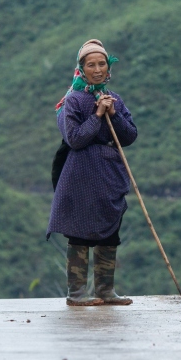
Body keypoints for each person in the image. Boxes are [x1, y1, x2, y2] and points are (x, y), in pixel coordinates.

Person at [47, 39, 138, 306]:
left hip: (110, 176)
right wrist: (97, 115)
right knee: (80, 233)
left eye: (102, 64)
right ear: (81, 69)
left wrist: (114, 113)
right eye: (91, 65)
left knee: (110, 233)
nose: (97, 69)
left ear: (108, 68)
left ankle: (105, 292)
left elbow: (130, 136)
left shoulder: (115, 100)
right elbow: (74, 139)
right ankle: (76, 295)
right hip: (80, 177)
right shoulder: (72, 102)